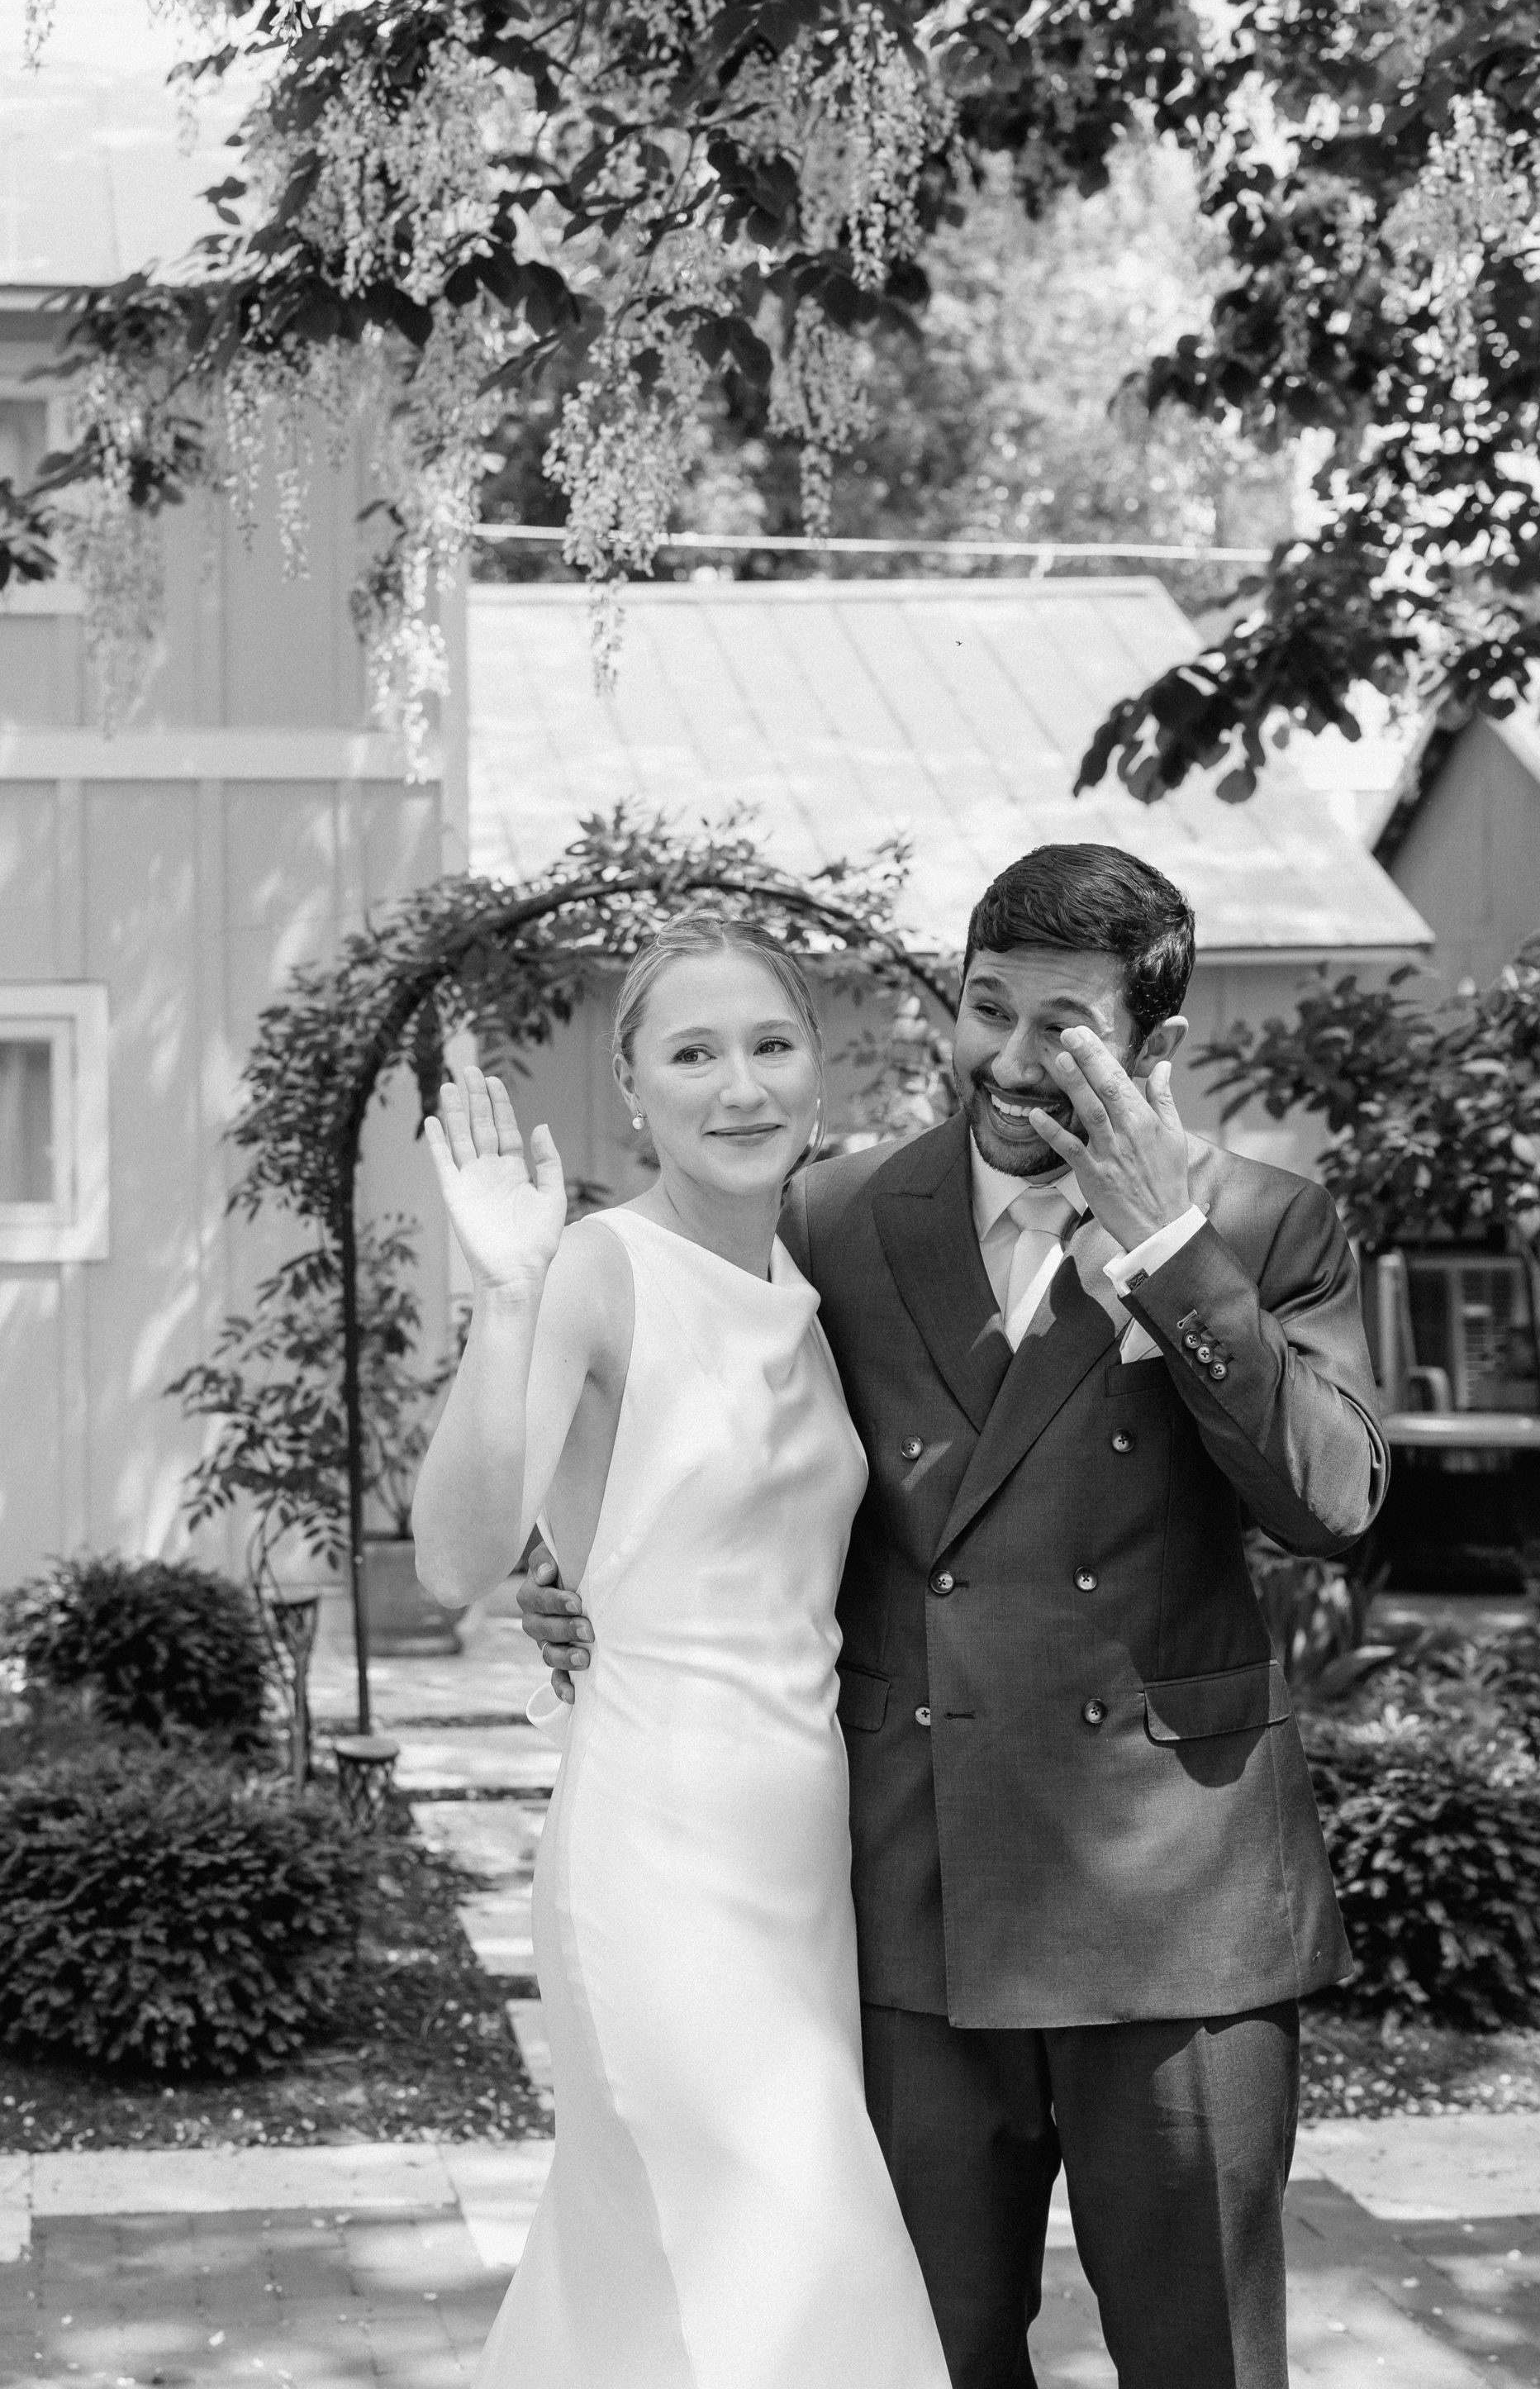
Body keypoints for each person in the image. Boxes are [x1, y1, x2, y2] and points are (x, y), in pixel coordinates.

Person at [522, 843, 1389, 2389]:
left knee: (1202, 2362)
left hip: (1176, 1907)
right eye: (990, 1008)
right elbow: (711, 1440)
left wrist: (1169, 1251)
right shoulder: (835, 1212)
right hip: (914, 1893)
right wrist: (579, 1565)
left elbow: (1333, 1500)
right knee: (920, 2358)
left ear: (1157, 1044)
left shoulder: (1263, 1223)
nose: (1012, 1058)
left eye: (1067, 1027)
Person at [411, 911, 952, 2389]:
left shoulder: (807, 1293)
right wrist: (508, 1297)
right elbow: (457, 1556)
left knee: (658, 2293)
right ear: (634, 1090)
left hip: (804, 1867)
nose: (742, 1087)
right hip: (658, 1862)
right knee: (791, 2270)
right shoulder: (596, 1268)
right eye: (694, 1054)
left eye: (771, 1045)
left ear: (818, 1070)